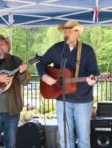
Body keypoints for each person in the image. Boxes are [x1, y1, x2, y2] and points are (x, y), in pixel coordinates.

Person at [36, 20, 99, 148]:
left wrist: (92, 80)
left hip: (83, 100)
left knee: (84, 139)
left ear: (77, 33)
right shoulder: (57, 48)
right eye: (64, 31)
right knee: (65, 139)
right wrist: (44, 76)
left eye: (69, 31)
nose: (66, 33)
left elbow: (95, 74)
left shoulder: (87, 51)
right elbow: (40, 63)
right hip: (62, 100)